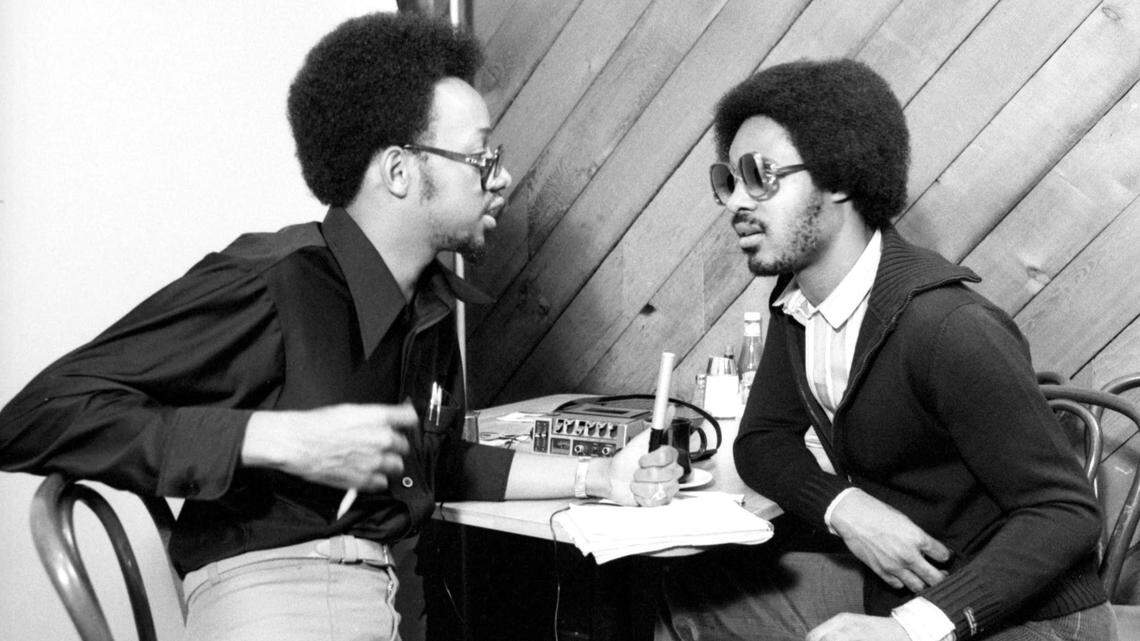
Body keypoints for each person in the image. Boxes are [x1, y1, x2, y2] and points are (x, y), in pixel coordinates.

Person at [0, 12, 681, 641]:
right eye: (481, 158)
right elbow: (32, 418)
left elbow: (433, 464)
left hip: (383, 595)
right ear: (399, 171)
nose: (500, 178)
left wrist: (599, 476)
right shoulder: (272, 283)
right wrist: (275, 437)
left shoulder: (430, 306)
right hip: (279, 598)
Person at [660, 59, 1114, 640]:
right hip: (913, 584)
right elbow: (762, 442)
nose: (734, 203)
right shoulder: (798, 303)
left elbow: (1066, 514)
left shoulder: (947, 327)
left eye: (759, 175)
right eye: (728, 180)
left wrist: (911, 629)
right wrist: (845, 508)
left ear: (839, 178)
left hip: (1033, 618)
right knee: (689, 593)